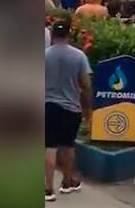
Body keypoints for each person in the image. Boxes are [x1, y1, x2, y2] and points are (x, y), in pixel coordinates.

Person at [45, 19, 93, 202]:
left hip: (47, 105)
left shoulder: (44, 55)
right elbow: (86, 85)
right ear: (68, 35)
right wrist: (88, 109)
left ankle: (48, 189)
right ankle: (67, 182)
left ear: (53, 35)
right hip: (71, 107)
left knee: (49, 146)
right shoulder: (79, 56)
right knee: (68, 144)